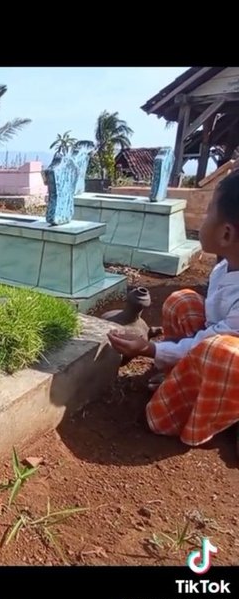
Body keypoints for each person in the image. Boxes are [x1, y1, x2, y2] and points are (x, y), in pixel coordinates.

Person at [108, 169, 239, 448]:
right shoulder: (225, 268)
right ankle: (184, 383)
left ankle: (205, 421)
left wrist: (148, 349)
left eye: (207, 215)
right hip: (215, 350)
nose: (202, 221)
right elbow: (208, 330)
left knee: (219, 354)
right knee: (184, 302)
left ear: (226, 233)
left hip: (228, 363)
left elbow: (210, 343)